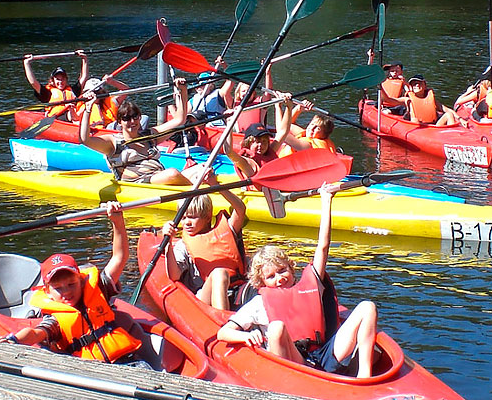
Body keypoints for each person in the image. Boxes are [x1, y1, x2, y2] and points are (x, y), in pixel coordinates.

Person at [217, 182, 378, 379]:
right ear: (261, 282)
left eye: (282, 270)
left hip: (323, 355)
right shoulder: (258, 304)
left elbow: (323, 247)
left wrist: (326, 200)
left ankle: (364, 374)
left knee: (367, 307)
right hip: (292, 362)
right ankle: (287, 379)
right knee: (276, 327)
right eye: (271, 276)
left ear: (292, 270)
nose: (279, 278)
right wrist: (246, 335)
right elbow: (223, 333)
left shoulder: (311, 286)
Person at [0, 202, 149, 366]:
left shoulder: (99, 288)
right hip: (96, 373)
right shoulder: (54, 320)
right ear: (47, 291)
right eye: (58, 288)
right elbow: (35, 333)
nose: (66, 292)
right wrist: (12, 341)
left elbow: (119, 257)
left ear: (81, 281)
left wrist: (117, 222)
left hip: (131, 362)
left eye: (71, 284)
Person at [80, 77, 203, 185]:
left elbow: (179, 120)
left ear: (139, 117)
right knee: (172, 174)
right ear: (119, 122)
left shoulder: (149, 135)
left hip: (159, 176)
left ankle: (195, 188)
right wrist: (88, 109)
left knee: (203, 168)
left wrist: (183, 90)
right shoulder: (113, 143)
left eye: (135, 117)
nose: (132, 122)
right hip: (138, 184)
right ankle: (196, 193)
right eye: (126, 118)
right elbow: (85, 140)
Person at [162, 174, 248, 310]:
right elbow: (174, 275)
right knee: (219, 273)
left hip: (235, 289)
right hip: (203, 297)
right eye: (183, 218)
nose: (187, 223)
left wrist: (215, 185)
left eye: (193, 217)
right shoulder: (182, 246)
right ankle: (222, 320)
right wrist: (168, 244)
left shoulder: (226, 230)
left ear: (208, 217)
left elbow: (240, 209)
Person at [225, 93, 292, 179]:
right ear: (248, 144)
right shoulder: (247, 162)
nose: (261, 145)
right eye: (257, 142)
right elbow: (229, 152)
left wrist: (288, 107)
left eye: (264, 141)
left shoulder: (268, 152)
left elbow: (283, 132)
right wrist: (229, 125)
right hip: (258, 191)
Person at [24, 51, 89, 120]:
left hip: (74, 114)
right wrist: (26, 63)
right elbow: (33, 82)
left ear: (66, 79)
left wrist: (84, 59)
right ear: (53, 81)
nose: (60, 82)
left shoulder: (73, 90)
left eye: (63, 79)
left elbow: (84, 77)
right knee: (72, 114)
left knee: (86, 106)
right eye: (58, 79)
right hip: (57, 117)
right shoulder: (47, 93)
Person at [383, 74, 458, 126]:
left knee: (449, 115)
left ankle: (452, 137)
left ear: (425, 86)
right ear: (411, 87)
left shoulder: (431, 98)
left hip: (433, 128)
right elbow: (388, 100)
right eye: (414, 84)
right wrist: (380, 88)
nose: (417, 85)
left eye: (419, 83)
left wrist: (460, 119)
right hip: (417, 129)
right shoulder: (408, 100)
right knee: (415, 120)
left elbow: (446, 109)